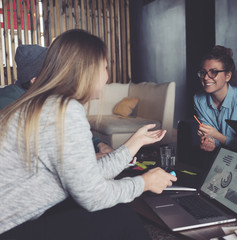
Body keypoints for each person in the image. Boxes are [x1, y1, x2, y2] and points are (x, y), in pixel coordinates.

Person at [0, 29, 177, 239]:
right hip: (9, 228)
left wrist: (133, 144)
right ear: (88, 70)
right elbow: (93, 196)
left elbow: (85, 177)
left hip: (16, 219)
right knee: (121, 217)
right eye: (105, 67)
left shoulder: (45, 104)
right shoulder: (62, 110)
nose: (107, 76)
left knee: (110, 211)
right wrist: (145, 183)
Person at [0, 44, 113, 159]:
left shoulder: (47, 98)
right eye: (53, 75)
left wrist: (98, 144)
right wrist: (88, 159)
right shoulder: (8, 103)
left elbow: (66, 131)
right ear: (35, 80)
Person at [193, 45, 237, 152]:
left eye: (213, 72)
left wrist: (216, 136)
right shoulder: (198, 99)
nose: (205, 77)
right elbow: (209, 136)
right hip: (215, 155)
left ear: (228, 76)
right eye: (203, 72)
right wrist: (208, 140)